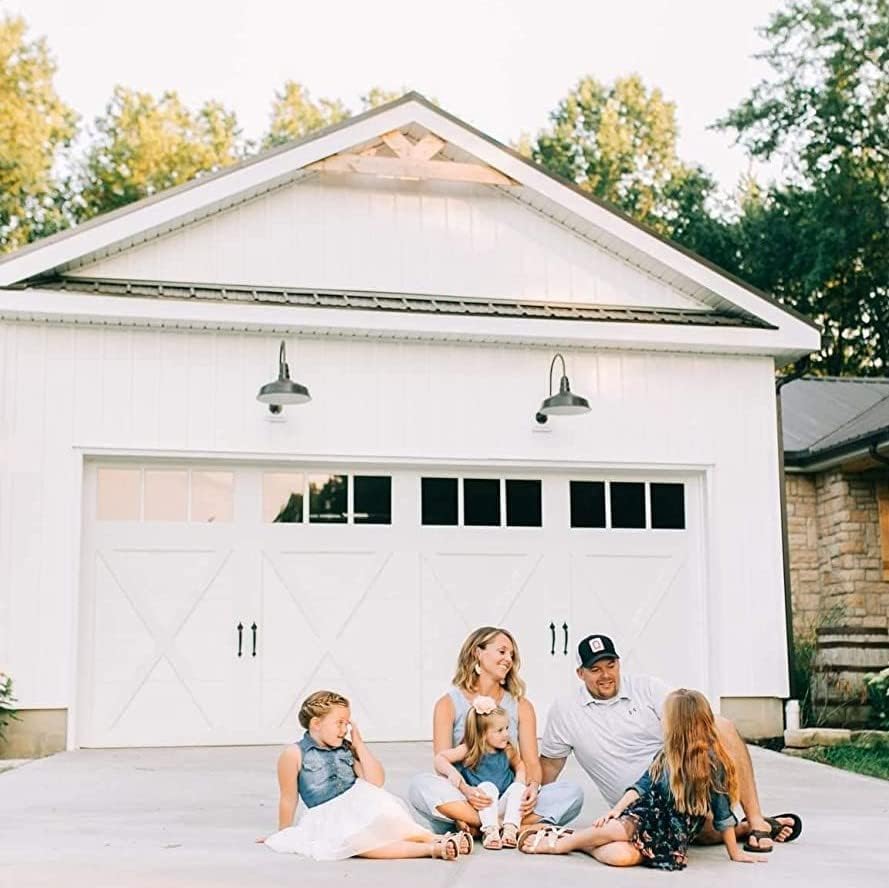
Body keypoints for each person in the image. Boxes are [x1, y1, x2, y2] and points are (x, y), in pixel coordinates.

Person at [539, 634, 803, 857]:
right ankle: (739, 829)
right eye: (595, 670)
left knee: (720, 724)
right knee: (655, 844)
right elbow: (550, 766)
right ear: (580, 673)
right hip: (637, 803)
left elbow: (690, 721)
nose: (605, 675)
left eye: (610, 665)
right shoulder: (565, 710)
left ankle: (755, 821)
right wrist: (528, 809)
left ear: (619, 663)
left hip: (680, 785)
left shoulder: (647, 688)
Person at [520, 688, 768, 869]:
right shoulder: (665, 757)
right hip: (646, 814)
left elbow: (723, 815)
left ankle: (572, 839)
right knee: (623, 827)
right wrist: (616, 810)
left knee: (621, 857)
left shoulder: (714, 765)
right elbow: (641, 787)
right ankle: (557, 845)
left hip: (672, 832)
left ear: (680, 724)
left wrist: (735, 853)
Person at [408, 626, 583, 835]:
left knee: (572, 793)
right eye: (502, 652)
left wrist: (533, 788)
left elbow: (531, 763)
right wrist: (467, 792)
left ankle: (482, 826)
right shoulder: (447, 704)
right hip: (468, 798)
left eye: (511, 655)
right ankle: (506, 825)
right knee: (420, 786)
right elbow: (442, 765)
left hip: (509, 798)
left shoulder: (521, 706)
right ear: (477, 652)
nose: (508, 659)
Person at [260, 690, 472, 861]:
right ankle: (433, 849)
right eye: (340, 723)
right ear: (316, 723)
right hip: (328, 815)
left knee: (392, 824)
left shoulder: (347, 748)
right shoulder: (294, 754)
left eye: (347, 723)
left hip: (359, 802)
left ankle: (436, 838)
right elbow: (288, 799)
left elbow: (375, 781)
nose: (345, 729)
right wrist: (284, 833)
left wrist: (359, 745)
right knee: (361, 843)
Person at [434, 695, 527, 850]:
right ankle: (490, 830)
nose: (506, 734)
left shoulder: (508, 750)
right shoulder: (468, 750)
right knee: (487, 787)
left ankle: (510, 829)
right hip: (481, 807)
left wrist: (520, 780)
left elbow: (519, 765)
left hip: (503, 805)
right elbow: (440, 759)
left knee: (519, 788)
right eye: (499, 730)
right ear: (482, 734)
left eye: (507, 728)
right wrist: (453, 774)